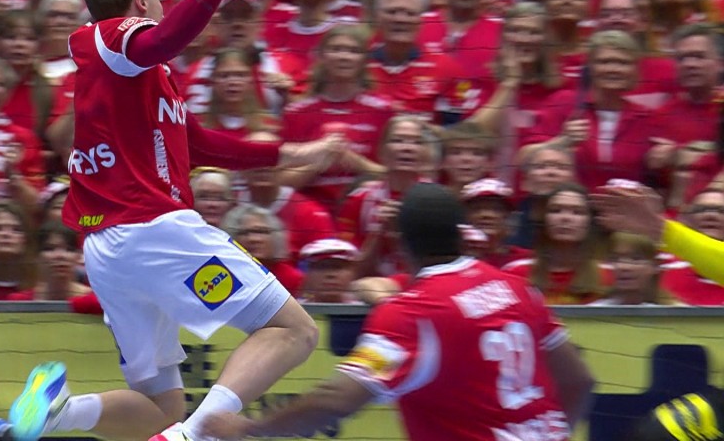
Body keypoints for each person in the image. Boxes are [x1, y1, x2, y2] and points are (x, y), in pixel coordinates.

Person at [7, 0, 345, 441]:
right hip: (153, 230)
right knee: (293, 330)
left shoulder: (140, 75)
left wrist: (289, 154)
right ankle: (193, 437)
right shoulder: (112, 41)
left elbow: (199, 143)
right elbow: (166, 37)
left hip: (110, 250)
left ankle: (59, 411)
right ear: (141, 1)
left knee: (160, 404)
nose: (167, 8)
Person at [201, 183, 595, 441]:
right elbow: (579, 380)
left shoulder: (413, 313)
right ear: (461, 235)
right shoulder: (517, 287)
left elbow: (335, 401)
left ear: (401, 244)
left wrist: (253, 430)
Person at [592, 184, 724, 285]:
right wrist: (662, 230)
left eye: (721, 210)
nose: (711, 215)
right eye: (701, 209)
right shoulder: (665, 270)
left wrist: (663, 230)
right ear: (685, 217)